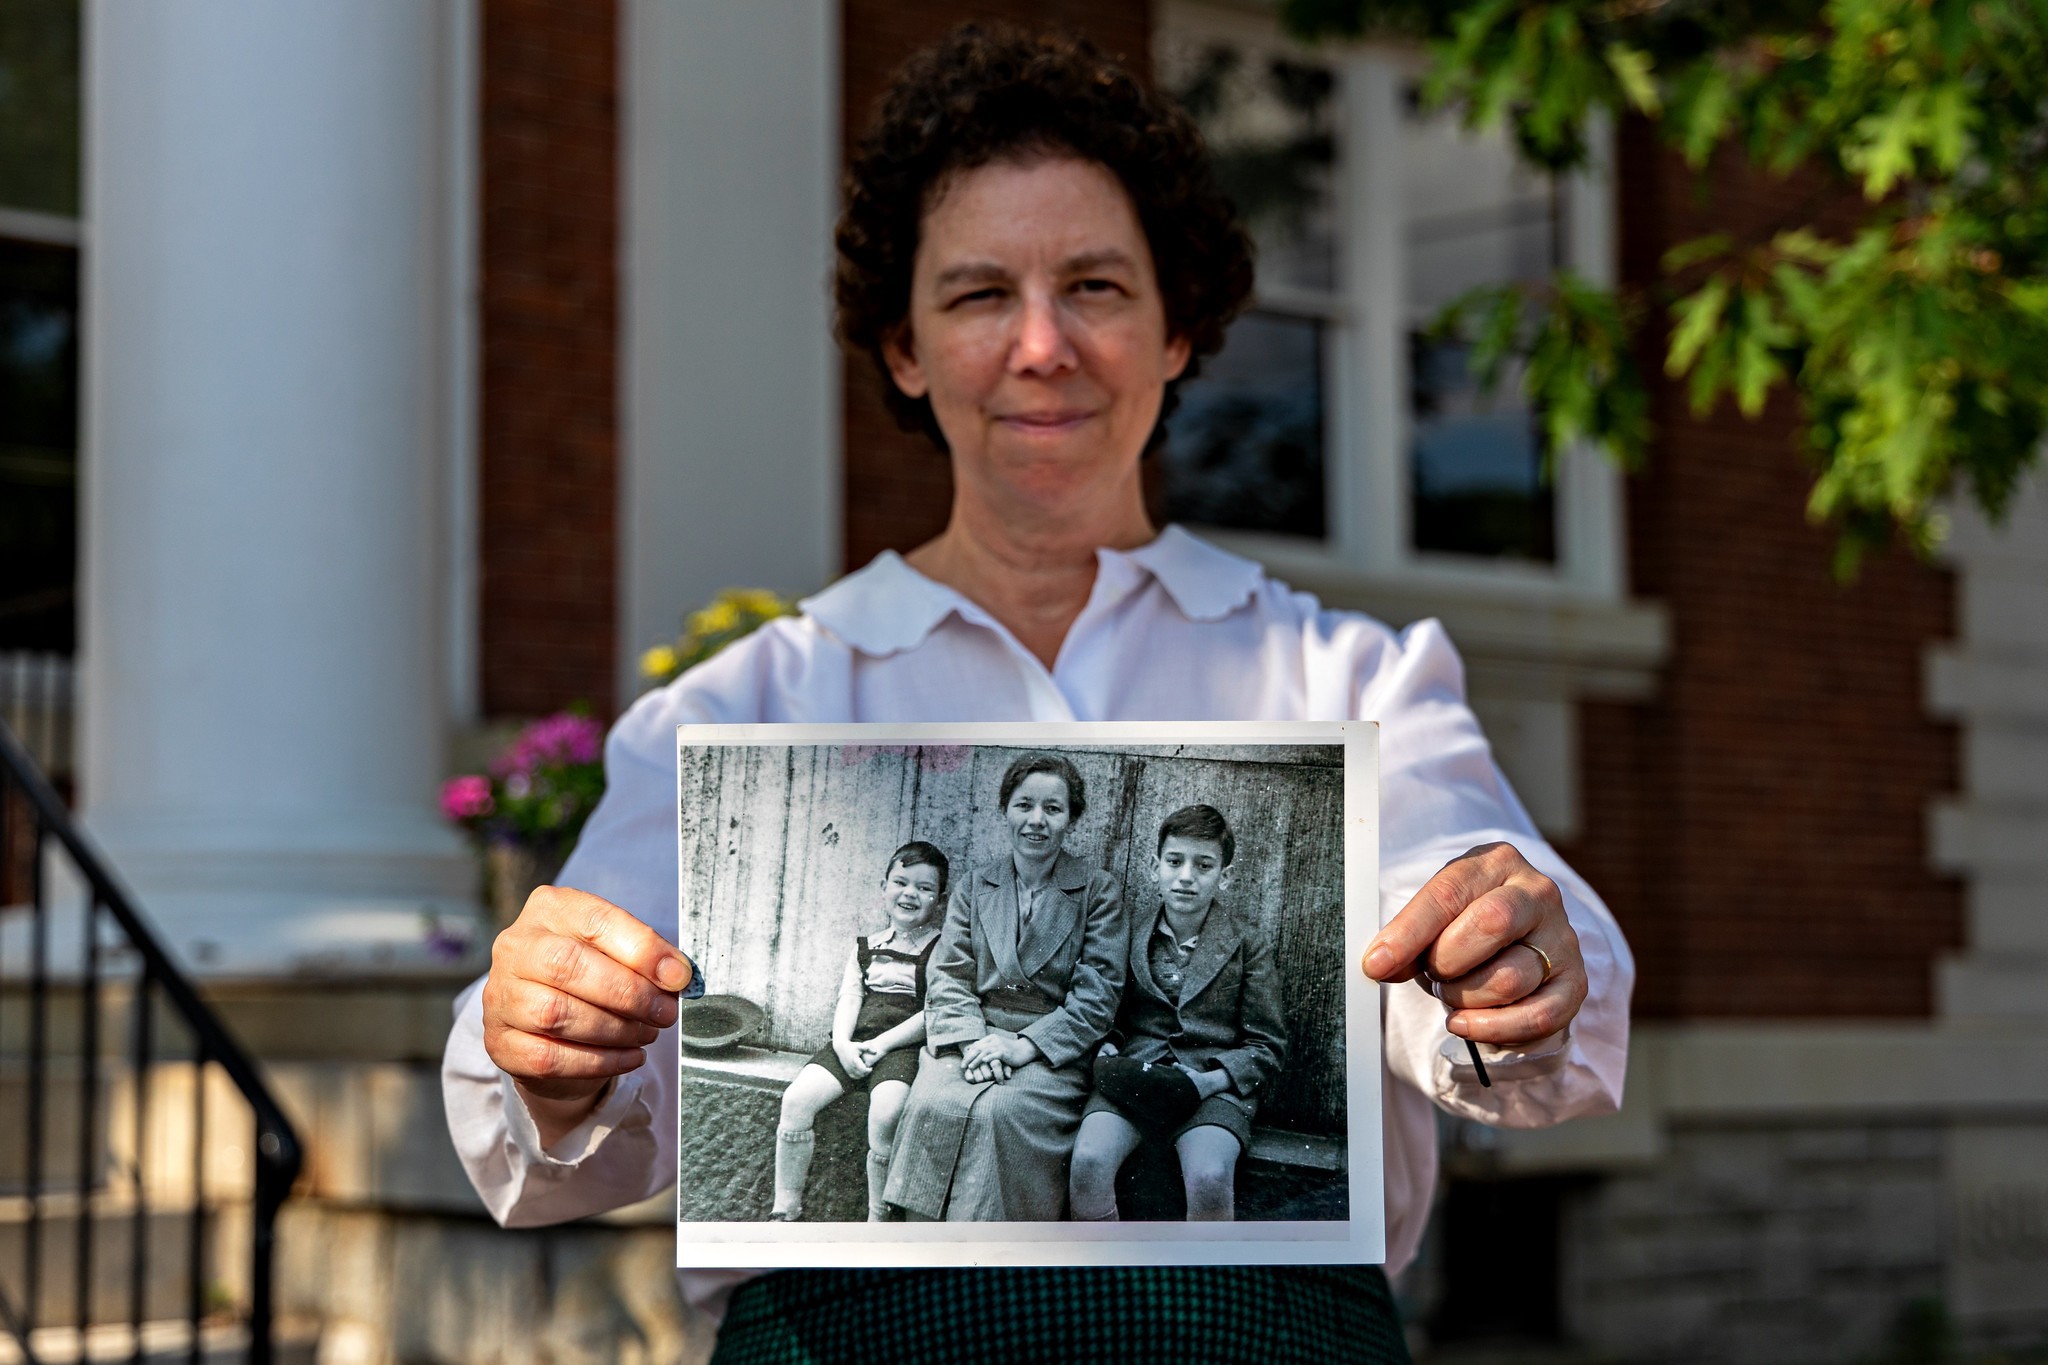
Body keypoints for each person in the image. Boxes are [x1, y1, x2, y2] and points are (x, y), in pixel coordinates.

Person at [443, 24, 1632, 1363]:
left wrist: (1510, 960)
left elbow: (1479, 945)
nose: (1043, 345)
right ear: (902, 348)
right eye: (976, 295)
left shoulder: (1354, 677)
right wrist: (547, 1038)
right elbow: (582, 1127)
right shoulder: (738, 705)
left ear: (1180, 327)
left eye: (1097, 286)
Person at [881, 754, 1124, 1221]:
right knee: (933, 1102)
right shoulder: (976, 886)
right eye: (1024, 805)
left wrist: (1022, 1047)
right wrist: (977, 1044)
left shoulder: (1098, 891)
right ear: (1005, 810)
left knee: (1001, 1113)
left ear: (1071, 818)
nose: (1037, 821)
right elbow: (948, 976)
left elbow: (1098, 996)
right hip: (969, 1039)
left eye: (1053, 809)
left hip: (1052, 1051)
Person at [1069, 803, 1286, 1223]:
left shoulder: (1247, 944)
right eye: (1175, 861)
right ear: (1155, 868)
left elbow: (1267, 1045)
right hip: (1135, 1076)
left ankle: (1201, 1279)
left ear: (1224, 876)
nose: (1186, 876)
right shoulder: (1129, 931)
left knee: (1208, 1175)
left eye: (1203, 865)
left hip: (1211, 1087)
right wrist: (1110, 1047)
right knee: (1089, 1160)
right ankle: (1102, 1271)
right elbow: (1112, 1014)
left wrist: (1208, 1082)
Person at [771, 840, 950, 1223]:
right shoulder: (865, 947)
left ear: (940, 899)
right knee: (797, 1099)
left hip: (903, 1047)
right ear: (884, 886)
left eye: (924, 888)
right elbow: (849, 998)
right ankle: (785, 1209)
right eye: (900, 882)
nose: (909, 894)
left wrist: (881, 1046)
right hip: (853, 1042)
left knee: (886, 1113)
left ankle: (877, 1219)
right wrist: (841, 1045)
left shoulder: (942, 950)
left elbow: (932, 1013)